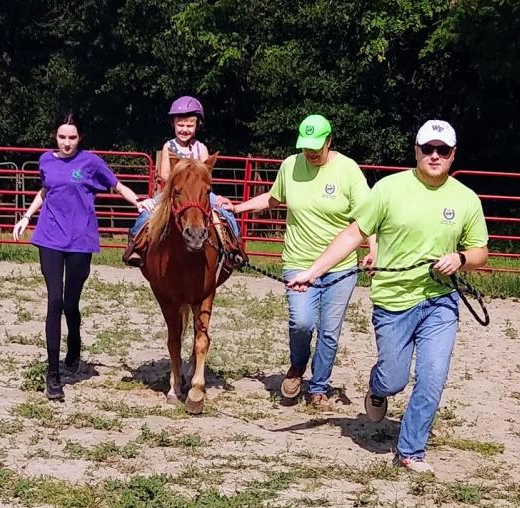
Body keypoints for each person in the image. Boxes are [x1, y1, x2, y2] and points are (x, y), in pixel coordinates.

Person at [288, 120, 488, 473]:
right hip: (394, 303)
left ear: (453, 154)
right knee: (394, 378)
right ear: (416, 151)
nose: (435, 155)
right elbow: (353, 235)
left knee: (432, 376)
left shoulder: (465, 199)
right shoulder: (389, 189)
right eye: (428, 148)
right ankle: (378, 389)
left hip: (440, 301)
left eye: (443, 150)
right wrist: (313, 272)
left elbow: (480, 252)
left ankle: (411, 450)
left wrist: (459, 259)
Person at [218, 114, 376, 411]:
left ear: (330, 141)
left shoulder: (348, 170)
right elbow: (274, 198)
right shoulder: (290, 166)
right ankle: (296, 366)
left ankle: (318, 387)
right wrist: (238, 207)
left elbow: (368, 217)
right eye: (306, 147)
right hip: (299, 260)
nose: (311, 152)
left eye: (317, 146)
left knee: (329, 331)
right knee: (301, 322)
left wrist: (373, 251)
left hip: (341, 267)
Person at [13, 113, 144, 401]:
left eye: (72, 137)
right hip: (49, 237)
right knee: (55, 301)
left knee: (70, 304)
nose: (67, 142)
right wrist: (26, 216)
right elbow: (45, 190)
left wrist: (138, 202)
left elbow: (116, 185)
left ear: (80, 137)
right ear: (55, 136)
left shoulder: (91, 162)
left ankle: (74, 340)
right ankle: (53, 375)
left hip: (80, 241)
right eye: (62, 137)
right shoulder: (46, 160)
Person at [123, 95, 239, 267]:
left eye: (189, 125)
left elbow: (206, 174)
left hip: (199, 193)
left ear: (197, 126)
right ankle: (136, 245)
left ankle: (234, 248)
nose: (185, 129)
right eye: (181, 125)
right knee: (147, 212)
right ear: (173, 125)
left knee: (225, 211)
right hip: (174, 191)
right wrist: (182, 183)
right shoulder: (169, 147)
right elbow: (164, 174)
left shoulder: (201, 148)